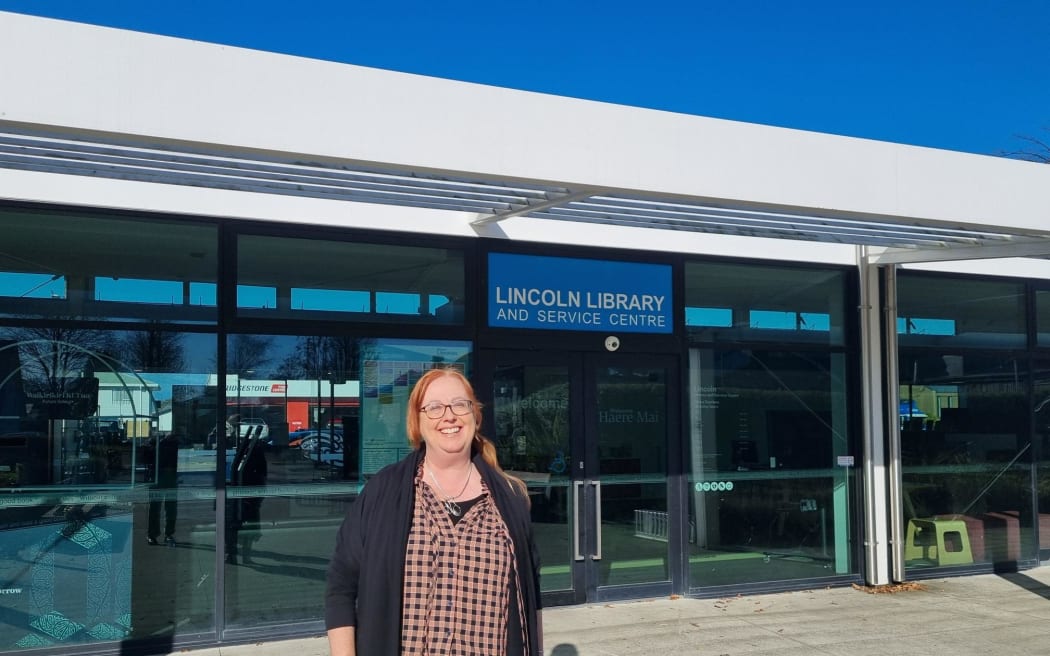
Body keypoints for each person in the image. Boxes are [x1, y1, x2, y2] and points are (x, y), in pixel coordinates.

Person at [325, 367, 542, 656]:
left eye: (459, 404)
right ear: (417, 422)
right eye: (434, 407)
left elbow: (531, 599)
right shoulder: (382, 492)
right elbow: (341, 588)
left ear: (475, 417)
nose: (448, 416)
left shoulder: (511, 499)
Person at [147, 430, 180, 546]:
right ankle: (165, 534)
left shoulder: (159, 443)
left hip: (161, 476)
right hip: (163, 476)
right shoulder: (167, 444)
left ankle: (156, 534)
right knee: (163, 507)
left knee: (159, 507)